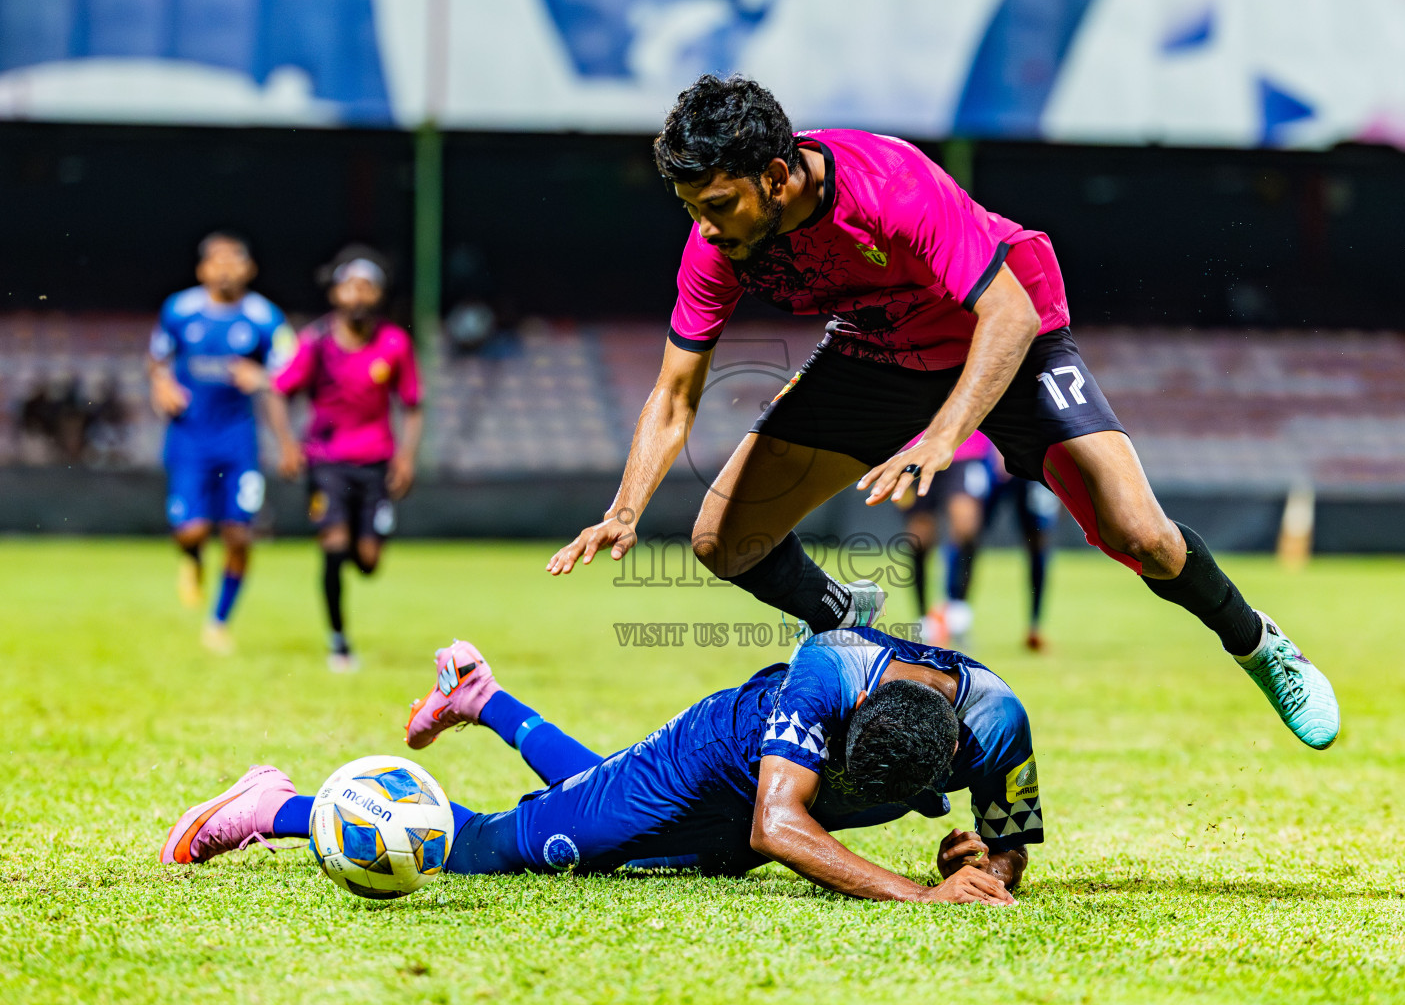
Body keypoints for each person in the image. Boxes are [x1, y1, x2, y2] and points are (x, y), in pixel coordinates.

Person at [548, 75, 1339, 751]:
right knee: (723, 541)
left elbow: (1010, 316)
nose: (707, 228)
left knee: (1143, 538)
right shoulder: (717, 245)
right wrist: (626, 507)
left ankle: (1261, 646)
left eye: (719, 204)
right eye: (691, 209)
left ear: (780, 175)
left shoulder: (889, 184)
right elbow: (676, 391)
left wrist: (944, 436)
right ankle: (843, 619)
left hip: (1011, 339)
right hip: (879, 351)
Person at [160, 630, 1038, 905]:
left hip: (752, 820)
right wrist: (918, 893)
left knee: (597, 818)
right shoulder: (827, 672)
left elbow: (1009, 846)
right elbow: (781, 825)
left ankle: (481, 697)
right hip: (710, 764)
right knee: (504, 848)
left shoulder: (1000, 723)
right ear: (851, 722)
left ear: (957, 750)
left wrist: (984, 867)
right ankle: (278, 804)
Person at [266, 248, 423, 672]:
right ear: (335, 292)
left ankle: (357, 534)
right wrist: (285, 445)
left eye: (367, 287)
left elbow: (412, 404)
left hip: (375, 465)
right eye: (350, 286)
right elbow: (278, 391)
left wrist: (406, 458)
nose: (358, 295)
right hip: (326, 462)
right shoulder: (314, 342)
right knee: (333, 548)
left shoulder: (395, 343)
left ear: (379, 295)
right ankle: (338, 640)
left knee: (368, 562)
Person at [148, 233, 292, 654]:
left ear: (250, 268)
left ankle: (218, 621)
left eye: (234, 260)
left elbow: (290, 374)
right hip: (189, 435)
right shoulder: (178, 310)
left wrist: (262, 379)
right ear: (202, 269)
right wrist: (161, 386)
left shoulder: (267, 319)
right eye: (217, 261)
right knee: (190, 530)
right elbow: (156, 359)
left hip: (238, 441)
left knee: (239, 535)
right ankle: (191, 558)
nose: (226, 268)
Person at [897, 430, 995, 649]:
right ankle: (923, 619)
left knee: (966, 525)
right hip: (915, 450)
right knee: (919, 538)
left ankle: (959, 612)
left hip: (965, 449)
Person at [987, 467, 1059, 652]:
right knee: (968, 529)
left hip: (1035, 468)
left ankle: (1035, 626)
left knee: (1038, 544)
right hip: (1001, 464)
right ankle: (956, 616)